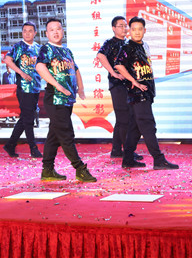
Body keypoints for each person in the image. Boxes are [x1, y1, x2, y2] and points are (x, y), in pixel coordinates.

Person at [35, 18, 97, 182]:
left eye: (58, 29)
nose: (55, 32)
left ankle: (47, 170)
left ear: (62, 31)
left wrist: (81, 88)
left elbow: (75, 70)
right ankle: (80, 168)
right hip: (55, 98)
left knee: (54, 135)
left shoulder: (67, 51)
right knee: (66, 133)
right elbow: (39, 67)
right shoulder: (46, 49)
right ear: (46, 33)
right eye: (51, 30)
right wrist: (58, 86)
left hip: (67, 99)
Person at [114, 17, 179, 170]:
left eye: (140, 29)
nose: (136, 32)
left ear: (144, 30)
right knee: (148, 125)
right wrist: (134, 81)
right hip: (138, 94)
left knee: (135, 129)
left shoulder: (144, 45)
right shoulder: (127, 47)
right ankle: (158, 159)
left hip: (146, 92)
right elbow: (118, 65)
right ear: (129, 31)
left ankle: (128, 159)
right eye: (133, 29)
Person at [96, 16, 143, 161]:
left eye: (125, 26)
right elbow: (100, 55)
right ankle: (128, 151)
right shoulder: (110, 43)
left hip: (129, 85)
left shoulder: (129, 43)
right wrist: (112, 72)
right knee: (124, 118)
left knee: (124, 118)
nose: (124, 28)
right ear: (113, 28)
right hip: (117, 85)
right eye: (120, 26)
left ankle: (117, 150)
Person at [2, 21, 43, 158]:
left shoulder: (38, 48)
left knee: (26, 117)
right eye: (25, 31)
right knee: (29, 119)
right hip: (24, 88)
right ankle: (33, 148)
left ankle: (10, 144)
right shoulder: (18, 46)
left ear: (35, 33)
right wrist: (21, 73)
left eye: (30, 31)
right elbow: (8, 60)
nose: (27, 33)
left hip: (36, 87)